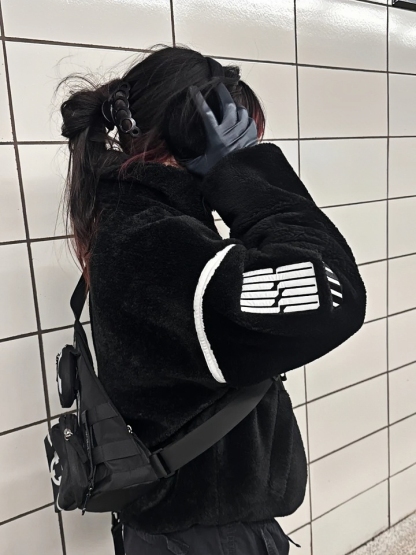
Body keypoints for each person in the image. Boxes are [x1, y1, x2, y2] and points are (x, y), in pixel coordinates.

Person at [59, 44, 367, 554]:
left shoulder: (133, 226)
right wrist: (249, 174)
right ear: (195, 136)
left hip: (183, 533)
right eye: (240, 139)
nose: (244, 149)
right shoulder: (156, 242)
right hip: (209, 539)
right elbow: (335, 292)